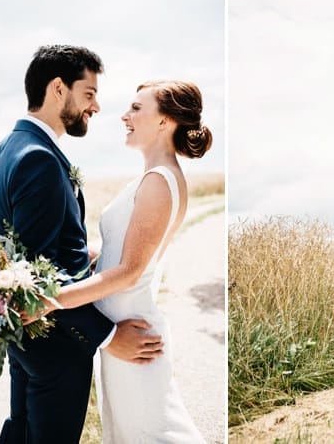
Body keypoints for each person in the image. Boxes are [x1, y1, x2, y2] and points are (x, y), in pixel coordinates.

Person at [0, 45, 164, 444]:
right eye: (89, 93)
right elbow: (38, 272)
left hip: (25, 339)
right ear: (58, 89)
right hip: (55, 344)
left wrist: (87, 254)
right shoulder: (39, 158)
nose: (97, 106)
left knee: (22, 432)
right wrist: (104, 334)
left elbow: (28, 246)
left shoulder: (10, 147)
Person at [31, 80, 214, 442]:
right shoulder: (152, 178)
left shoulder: (160, 182)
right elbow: (123, 254)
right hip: (123, 334)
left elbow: (129, 272)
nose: (124, 116)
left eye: (136, 108)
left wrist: (46, 302)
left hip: (135, 337)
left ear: (164, 121)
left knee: (158, 434)